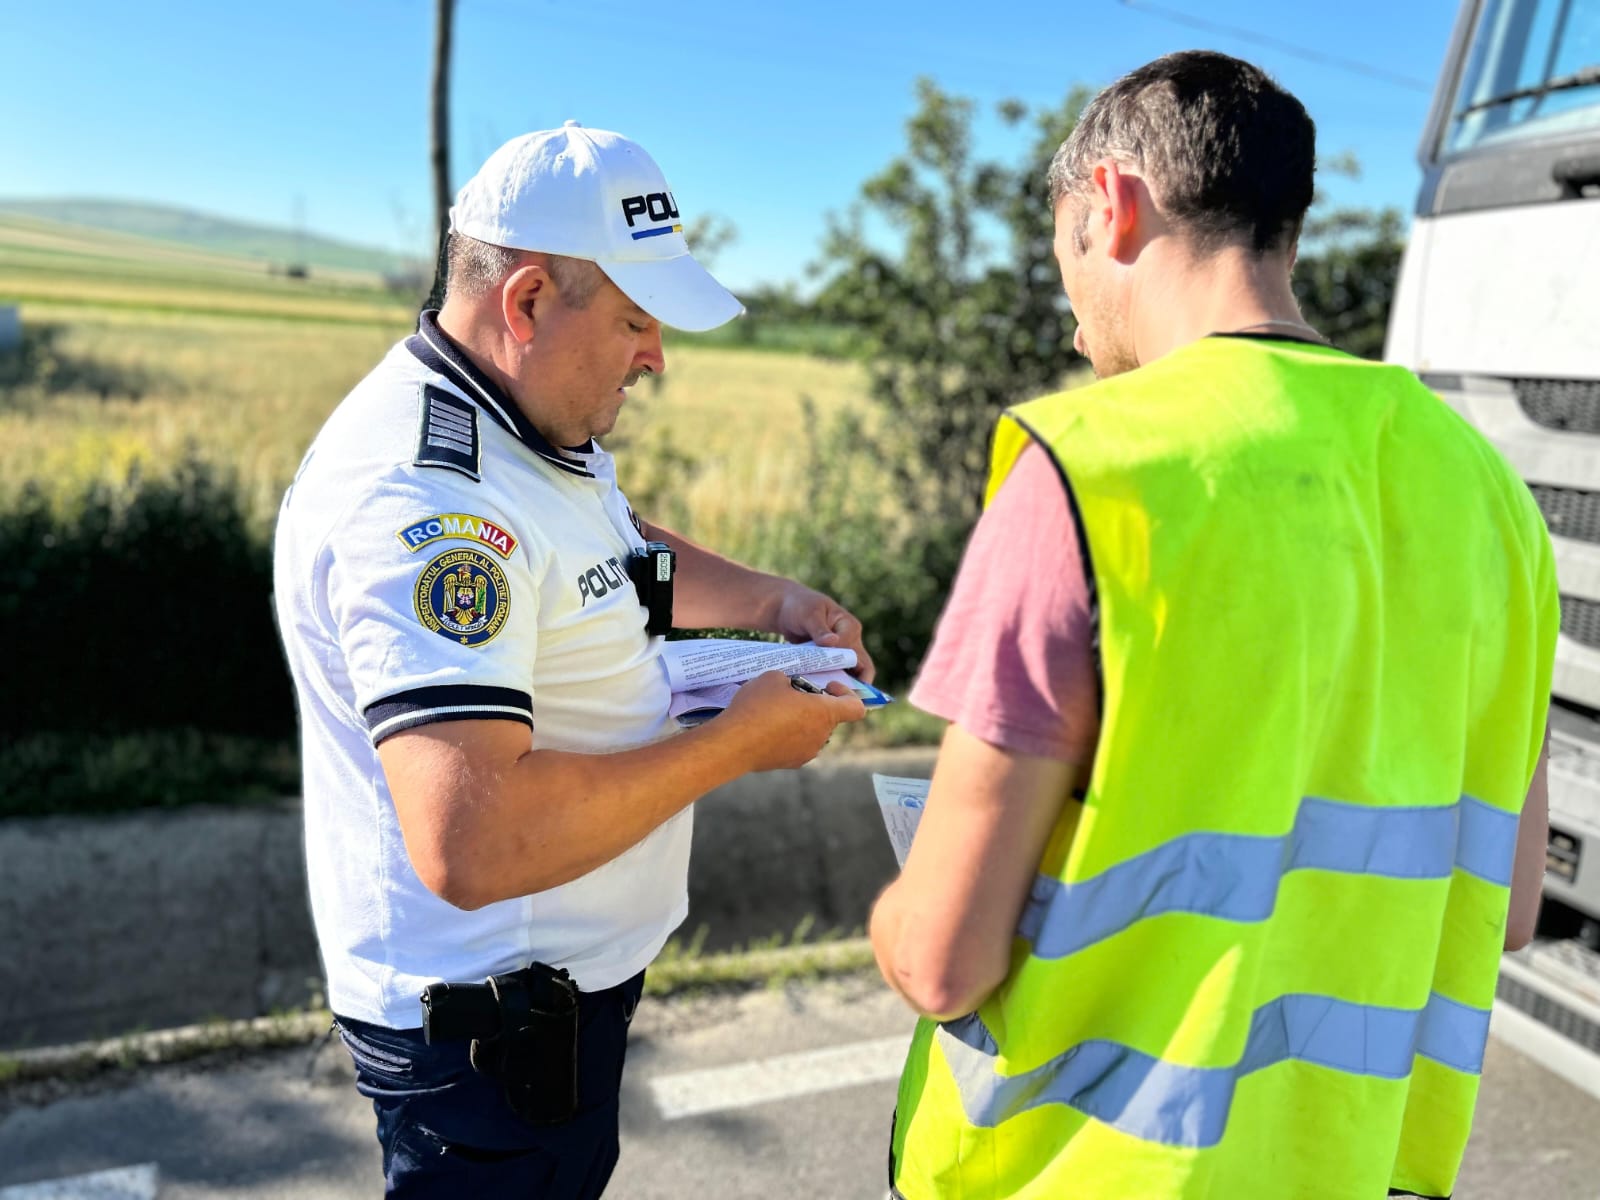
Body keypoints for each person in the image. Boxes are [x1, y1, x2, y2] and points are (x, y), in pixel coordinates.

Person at [868, 51, 1557, 1200]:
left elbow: (943, 962)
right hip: (1360, 1168)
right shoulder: (1490, 497)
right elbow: (1511, 904)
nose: (1072, 317)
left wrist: (899, 911)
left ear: (1112, 201)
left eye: (1064, 253)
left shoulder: (1091, 469)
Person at [272, 121, 869, 1198]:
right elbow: (474, 840)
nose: (657, 356)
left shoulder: (519, 419)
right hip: (492, 1043)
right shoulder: (426, 504)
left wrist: (772, 605)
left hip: (551, 1013)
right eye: (637, 320)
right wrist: (739, 744)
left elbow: (609, 556)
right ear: (530, 300)